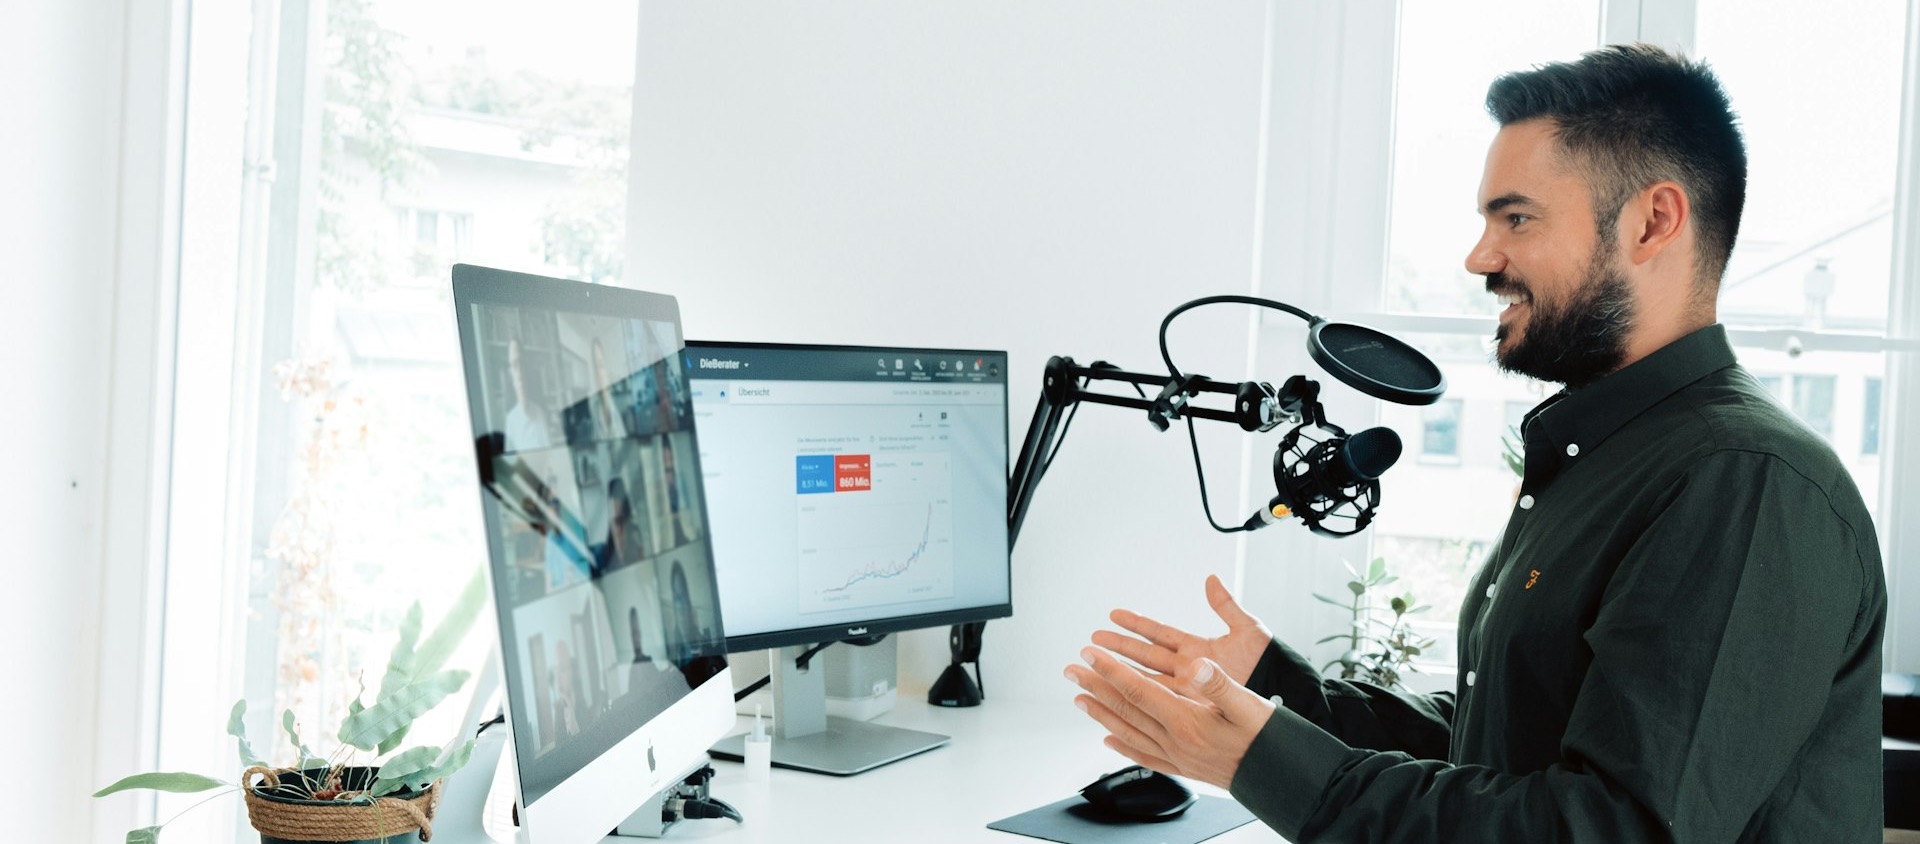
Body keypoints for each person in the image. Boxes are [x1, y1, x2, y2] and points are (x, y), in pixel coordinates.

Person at [1063, 44, 1887, 843]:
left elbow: (1611, 829)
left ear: (1652, 222)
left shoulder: (1743, 486)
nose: (1480, 257)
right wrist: (1276, 692)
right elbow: (1504, 741)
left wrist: (1263, 760)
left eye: (1517, 218)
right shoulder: (1606, 457)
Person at [503, 337, 552, 450]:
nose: (519, 372)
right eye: (514, 365)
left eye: (521, 363)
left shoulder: (540, 413)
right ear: (510, 372)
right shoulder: (511, 420)